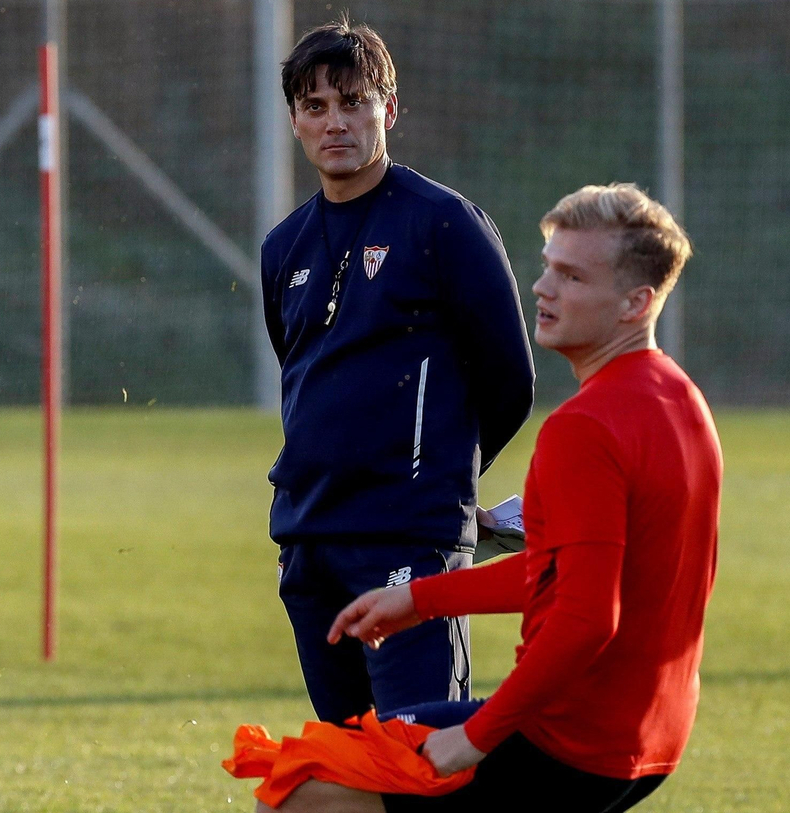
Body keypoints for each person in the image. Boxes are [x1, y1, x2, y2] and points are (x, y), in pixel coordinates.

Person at [277, 183, 719, 813]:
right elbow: (567, 573)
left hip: (567, 742)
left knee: (301, 789)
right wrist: (421, 598)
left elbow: (588, 618)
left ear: (635, 303)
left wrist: (475, 738)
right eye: (547, 266)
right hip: (649, 737)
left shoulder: (584, 428)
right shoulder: (679, 398)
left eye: (571, 276)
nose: (542, 288)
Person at [259, 19, 535, 724]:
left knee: (421, 760)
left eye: (354, 102)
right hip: (309, 540)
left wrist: (439, 481)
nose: (336, 123)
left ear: (390, 108)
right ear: (294, 118)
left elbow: (510, 378)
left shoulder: (444, 223)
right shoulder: (282, 247)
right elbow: (304, 382)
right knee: (347, 759)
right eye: (316, 107)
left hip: (408, 539)